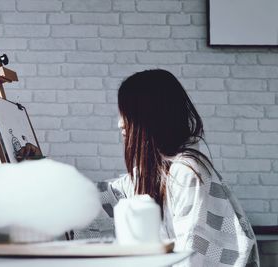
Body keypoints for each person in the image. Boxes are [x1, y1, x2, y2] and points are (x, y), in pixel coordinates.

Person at [110, 69, 259, 266]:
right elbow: (110, 193)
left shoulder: (185, 172)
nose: (120, 122)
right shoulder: (156, 171)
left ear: (149, 116)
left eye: (126, 112)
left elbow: (193, 253)